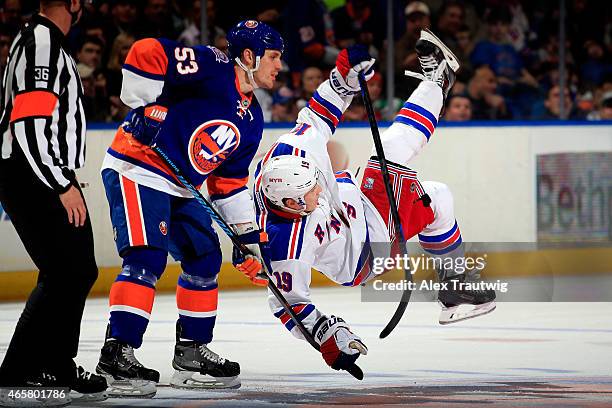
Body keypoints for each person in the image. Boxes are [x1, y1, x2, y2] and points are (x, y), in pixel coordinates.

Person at [247, 31, 495, 373]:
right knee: (425, 184)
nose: (317, 192)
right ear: (288, 204)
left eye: (314, 183)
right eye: (308, 195)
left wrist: (343, 78)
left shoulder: (292, 152)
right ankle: (456, 287)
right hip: (366, 248)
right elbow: (287, 304)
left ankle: (455, 287)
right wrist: (326, 336)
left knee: (422, 183)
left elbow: (317, 117)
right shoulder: (283, 244)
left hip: (355, 207)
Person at [96, 20, 284, 396]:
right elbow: (147, 49)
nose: (279, 66)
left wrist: (246, 239)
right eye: (274, 57)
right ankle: (116, 355)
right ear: (249, 56)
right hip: (138, 167)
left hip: (182, 185)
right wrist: (144, 105)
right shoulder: (212, 65)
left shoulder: (252, 119)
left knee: (204, 260)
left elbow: (228, 183)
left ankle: (191, 352)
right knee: (147, 258)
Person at [0, 0, 108, 405]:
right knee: (68, 271)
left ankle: (46, 365)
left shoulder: (41, 40)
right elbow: (29, 124)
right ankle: (30, 368)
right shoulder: (41, 42)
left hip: (35, 173)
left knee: (73, 271)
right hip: (35, 174)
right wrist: (62, 183)